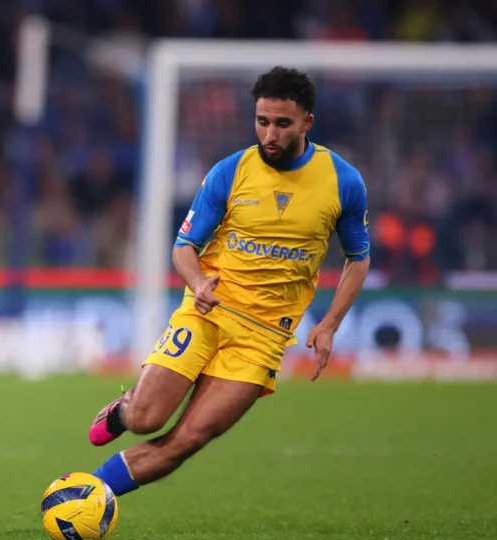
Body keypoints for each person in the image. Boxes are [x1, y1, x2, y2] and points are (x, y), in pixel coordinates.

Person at [87, 66, 371, 501]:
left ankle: (90, 494)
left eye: (282, 123)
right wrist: (198, 282)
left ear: (307, 122)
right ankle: (124, 411)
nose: (270, 134)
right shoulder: (231, 171)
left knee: (188, 438)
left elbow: (358, 258)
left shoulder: (343, 182)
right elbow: (183, 247)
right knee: (146, 418)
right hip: (208, 312)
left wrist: (330, 323)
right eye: (262, 121)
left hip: (262, 338)